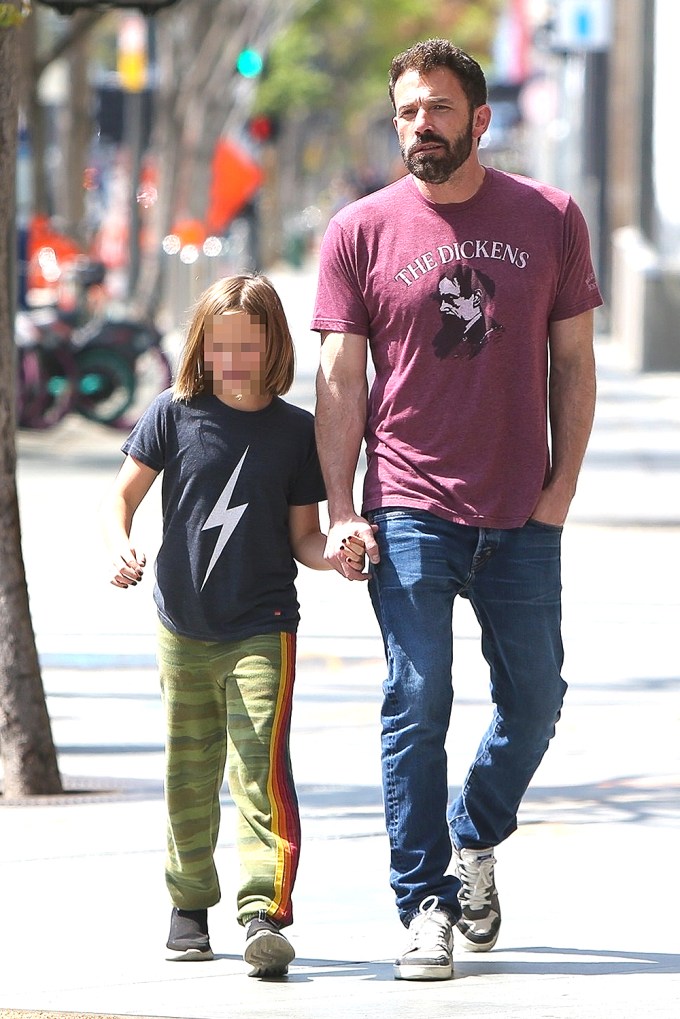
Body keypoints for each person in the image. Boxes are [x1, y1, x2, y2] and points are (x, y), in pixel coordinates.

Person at [312, 38, 602, 982]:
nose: (418, 126)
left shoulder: (551, 217)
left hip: (521, 510)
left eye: (437, 109)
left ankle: (473, 833)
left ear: (480, 119)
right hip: (408, 508)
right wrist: (342, 505)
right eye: (405, 111)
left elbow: (577, 363)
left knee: (537, 701)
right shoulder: (358, 230)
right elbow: (340, 378)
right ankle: (425, 902)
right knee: (417, 694)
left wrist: (559, 493)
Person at [101, 273, 365, 978]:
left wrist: (335, 557)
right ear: (203, 345)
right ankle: (188, 906)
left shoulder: (293, 432)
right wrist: (121, 543)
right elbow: (120, 498)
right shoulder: (172, 412)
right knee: (187, 773)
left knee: (259, 769)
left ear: (272, 344)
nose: (234, 361)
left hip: (263, 625)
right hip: (181, 627)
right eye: (221, 347)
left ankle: (263, 914)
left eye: (247, 347)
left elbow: (305, 538)